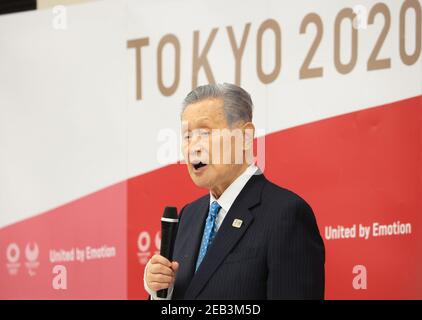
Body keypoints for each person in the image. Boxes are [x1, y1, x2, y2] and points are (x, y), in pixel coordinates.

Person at [144, 83, 325, 299]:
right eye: (187, 136)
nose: (194, 146)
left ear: (245, 136)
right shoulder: (188, 216)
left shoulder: (285, 214)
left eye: (205, 132)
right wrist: (159, 291)